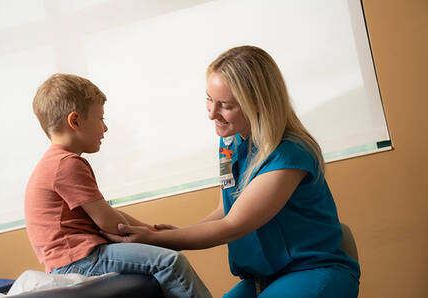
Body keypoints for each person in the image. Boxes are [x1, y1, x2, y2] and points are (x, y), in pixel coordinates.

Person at [104, 46, 361, 297]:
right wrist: (174, 234)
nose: (212, 114)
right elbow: (224, 211)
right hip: (264, 278)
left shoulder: (288, 155)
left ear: (258, 103)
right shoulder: (230, 142)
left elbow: (233, 225)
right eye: (208, 99)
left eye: (225, 105)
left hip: (313, 272)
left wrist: (161, 240)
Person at [24, 73, 211, 298]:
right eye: (100, 118)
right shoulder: (66, 164)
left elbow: (107, 213)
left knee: (161, 257)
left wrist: (151, 232)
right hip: (79, 260)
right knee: (171, 262)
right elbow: (109, 223)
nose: (105, 128)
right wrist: (159, 241)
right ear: (75, 121)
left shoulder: (55, 163)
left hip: (74, 258)